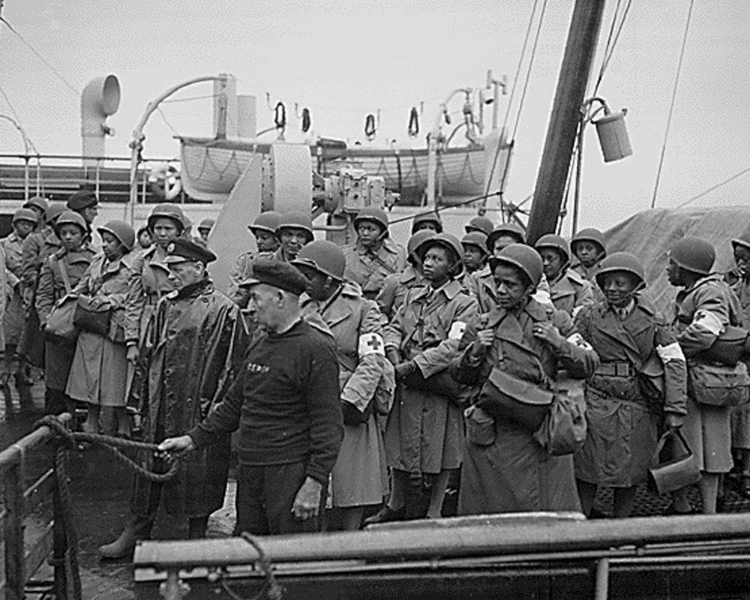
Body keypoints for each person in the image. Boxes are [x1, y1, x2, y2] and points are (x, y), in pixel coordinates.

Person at [158, 258, 342, 536]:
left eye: (256, 298)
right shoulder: (261, 341)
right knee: (250, 553)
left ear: (280, 298)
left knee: (290, 562)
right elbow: (235, 404)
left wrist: (314, 483)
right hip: (252, 469)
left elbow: (328, 425)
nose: (250, 307)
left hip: (289, 473)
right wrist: (192, 439)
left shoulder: (316, 349)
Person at [98, 238, 247, 558]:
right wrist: (137, 401)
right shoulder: (166, 304)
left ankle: (196, 536)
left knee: (200, 474)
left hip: (200, 406)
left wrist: (217, 412)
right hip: (161, 402)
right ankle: (137, 529)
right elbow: (148, 353)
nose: (172, 275)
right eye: (171, 269)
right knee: (149, 467)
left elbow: (234, 368)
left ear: (200, 268)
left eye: (178, 269)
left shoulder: (225, 309)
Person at [452, 244, 599, 515]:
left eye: (510, 285)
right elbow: (459, 375)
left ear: (530, 288)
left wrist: (558, 343)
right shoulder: (481, 324)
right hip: (494, 432)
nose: (501, 291)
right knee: (491, 516)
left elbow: (589, 364)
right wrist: (475, 351)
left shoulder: (556, 321)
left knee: (544, 517)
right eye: (497, 283)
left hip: (538, 430)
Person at [368, 233, 477, 523]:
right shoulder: (413, 295)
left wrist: (415, 366)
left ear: (452, 265)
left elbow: (454, 344)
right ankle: (396, 502)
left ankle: (434, 510)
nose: (428, 264)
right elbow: (393, 324)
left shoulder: (465, 303)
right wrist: (393, 353)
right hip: (407, 377)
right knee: (400, 441)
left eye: (437, 259)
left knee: (444, 447)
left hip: (438, 380)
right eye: (427, 258)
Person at [574, 252, 687, 518]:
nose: (612, 289)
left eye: (620, 283)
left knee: (630, 472)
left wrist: (675, 408)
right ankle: (578, 528)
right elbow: (571, 351)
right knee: (587, 470)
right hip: (596, 400)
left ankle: (621, 528)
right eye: (607, 283)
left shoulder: (654, 319)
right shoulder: (589, 316)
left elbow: (674, 361)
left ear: (636, 285)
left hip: (637, 404)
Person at [294, 240, 392, 530]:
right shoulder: (296, 305)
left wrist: (349, 400)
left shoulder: (364, 309)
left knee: (352, 488)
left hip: (349, 403)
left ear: (329, 279)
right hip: (307, 402)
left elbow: (374, 359)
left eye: (309, 275)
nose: (303, 281)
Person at [667, 237, 745, 515]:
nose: (667, 270)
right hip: (706, 379)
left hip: (703, 380)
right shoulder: (704, 290)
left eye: (672, 264)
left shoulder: (710, 292)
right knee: (697, 446)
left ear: (685, 267)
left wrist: (671, 347)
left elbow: (705, 331)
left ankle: (705, 513)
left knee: (706, 447)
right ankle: (687, 506)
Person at [66, 221, 137, 437]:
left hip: (115, 328)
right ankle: (92, 423)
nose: (105, 245)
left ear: (123, 243)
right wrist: (72, 300)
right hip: (92, 327)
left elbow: (136, 295)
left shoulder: (133, 265)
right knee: (89, 380)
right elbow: (82, 286)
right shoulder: (97, 261)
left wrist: (113, 299)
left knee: (116, 381)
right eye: (103, 240)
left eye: (110, 241)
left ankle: (124, 425)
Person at [35, 212, 95, 418]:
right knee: (56, 383)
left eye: (73, 233)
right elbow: (43, 294)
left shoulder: (95, 260)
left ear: (83, 235)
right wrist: (46, 321)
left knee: (83, 381)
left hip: (86, 324)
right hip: (59, 328)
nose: (68, 237)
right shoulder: (52, 262)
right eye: (64, 233)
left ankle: (82, 430)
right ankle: (56, 429)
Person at [124, 203, 186, 365]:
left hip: (180, 321)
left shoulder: (190, 259)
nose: (163, 233)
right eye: (158, 228)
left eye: (169, 229)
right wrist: (132, 341)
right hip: (149, 324)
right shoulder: (142, 259)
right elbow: (134, 301)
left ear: (179, 231)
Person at [1, 208, 39, 407]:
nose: (26, 227)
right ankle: (6, 369)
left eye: (30, 224)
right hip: (13, 293)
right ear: (14, 224)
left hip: (31, 291)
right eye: (23, 223)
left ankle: (22, 370)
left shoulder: (36, 243)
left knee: (28, 333)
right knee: (11, 334)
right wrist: (16, 282)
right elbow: (3, 267)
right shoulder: (4, 244)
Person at [727, 231, 750, 498]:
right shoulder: (734, 289)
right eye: (738, 258)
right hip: (740, 360)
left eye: (746, 259)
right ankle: (740, 469)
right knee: (741, 416)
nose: (741, 264)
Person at [343, 207, 406, 300]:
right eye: (361, 228)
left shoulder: (398, 254)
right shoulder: (346, 254)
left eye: (371, 229)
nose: (365, 233)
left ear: (382, 232)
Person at [376, 230, 435, 322]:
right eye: (426, 253)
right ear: (415, 255)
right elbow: (380, 312)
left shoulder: (443, 284)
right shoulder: (394, 282)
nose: (430, 258)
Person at [227, 211, 283, 303]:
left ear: (277, 239)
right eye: (257, 237)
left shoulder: (285, 261)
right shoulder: (244, 261)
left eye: (264, 238)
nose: (259, 241)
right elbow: (234, 296)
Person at [535, 234, 595, 317]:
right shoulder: (532, 283)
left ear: (562, 260)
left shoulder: (580, 287)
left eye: (550, 258)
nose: (545, 263)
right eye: (542, 259)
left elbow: (583, 319)